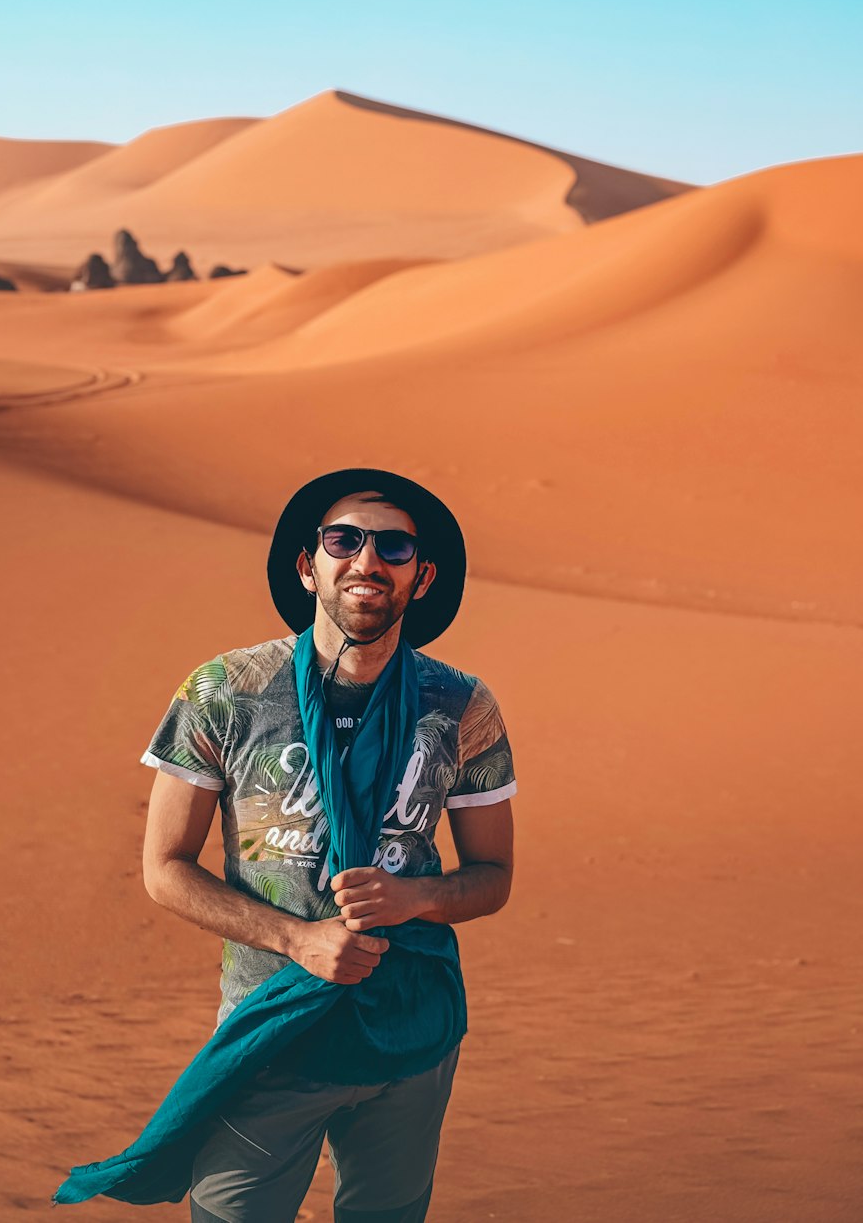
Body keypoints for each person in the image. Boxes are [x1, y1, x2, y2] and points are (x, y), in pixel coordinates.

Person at [139, 468, 516, 1222]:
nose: (368, 561)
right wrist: (297, 937)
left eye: (395, 546)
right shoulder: (224, 690)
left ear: (423, 574)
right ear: (310, 564)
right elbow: (164, 869)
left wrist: (417, 896)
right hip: (272, 1029)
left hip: (411, 1032)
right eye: (344, 539)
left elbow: (493, 875)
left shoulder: (462, 704)